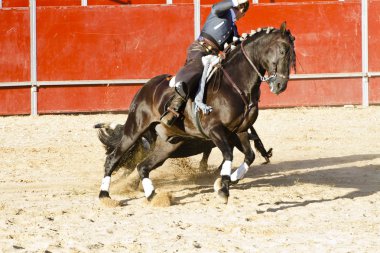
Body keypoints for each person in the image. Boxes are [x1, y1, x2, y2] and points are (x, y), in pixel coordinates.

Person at [161, 0, 249, 127]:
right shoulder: (224, 12)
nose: (242, 17)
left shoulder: (233, 27)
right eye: (243, 14)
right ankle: (174, 107)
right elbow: (215, 7)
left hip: (213, 56)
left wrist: (243, 40)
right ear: (242, 10)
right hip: (200, 49)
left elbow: (233, 46)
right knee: (197, 68)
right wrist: (235, 1)